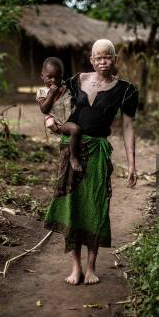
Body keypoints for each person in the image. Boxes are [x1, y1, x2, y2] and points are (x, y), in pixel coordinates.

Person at [43, 39, 138, 285]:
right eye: (98, 57)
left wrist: (132, 164)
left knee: (96, 206)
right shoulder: (76, 81)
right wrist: (49, 120)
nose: (102, 62)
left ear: (115, 60)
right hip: (71, 148)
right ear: (91, 60)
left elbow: (128, 126)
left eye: (107, 57)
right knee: (72, 206)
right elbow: (54, 100)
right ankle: (75, 267)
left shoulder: (126, 90)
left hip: (98, 152)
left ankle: (91, 267)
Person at [36, 57, 83, 171]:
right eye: (49, 77)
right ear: (42, 76)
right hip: (59, 123)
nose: (54, 80)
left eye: (58, 77)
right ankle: (73, 157)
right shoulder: (42, 91)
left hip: (70, 116)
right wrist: (51, 94)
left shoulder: (65, 87)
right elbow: (44, 109)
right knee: (75, 130)